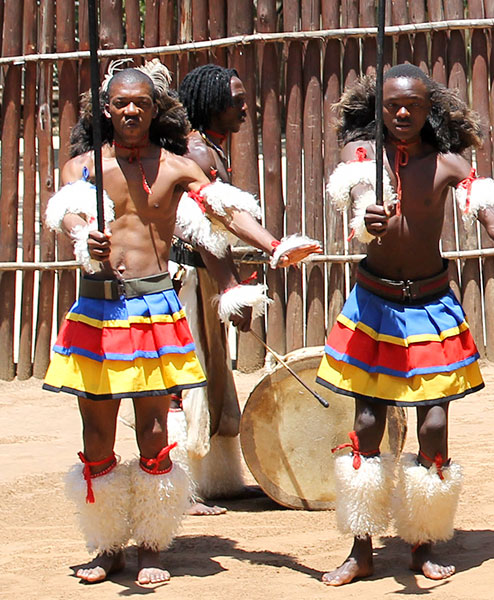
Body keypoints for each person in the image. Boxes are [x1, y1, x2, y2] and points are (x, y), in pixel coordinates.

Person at [315, 64, 494, 585]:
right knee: (367, 426)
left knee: (435, 425)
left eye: (413, 105)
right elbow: (355, 205)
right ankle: (362, 548)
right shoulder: (362, 158)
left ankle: (423, 541)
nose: (402, 113)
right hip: (374, 305)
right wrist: (366, 219)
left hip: (428, 305)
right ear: (379, 108)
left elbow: (493, 219)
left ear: (430, 111)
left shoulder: (449, 165)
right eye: (393, 104)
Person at [44, 63, 314, 586]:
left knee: (152, 430)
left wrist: (274, 246)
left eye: (140, 104)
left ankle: (150, 545)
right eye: (121, 103)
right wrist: (85, 240)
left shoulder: (175, 167)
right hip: (98, 308)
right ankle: (106, 546)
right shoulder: (83, 168)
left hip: (152, 309)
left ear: (155, 109)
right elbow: (72, 213)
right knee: (96, 435)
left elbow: (224, 211)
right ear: (107, 109)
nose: (130, 111)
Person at [169, 63, 318, 513]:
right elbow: (203, 229)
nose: (245, 105)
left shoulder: (208, 150)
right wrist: (231, 286)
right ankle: (178, 487)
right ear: (212, 102)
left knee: (211, 378)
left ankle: (214, 482)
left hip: (204, 278)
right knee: (186, 379)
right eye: (236, 98)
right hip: (188, 280)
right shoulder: (196, 153)